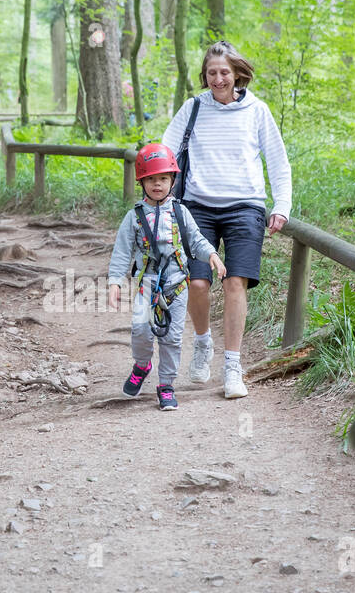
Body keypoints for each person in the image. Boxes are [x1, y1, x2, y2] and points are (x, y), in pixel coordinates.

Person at [161, 40, 291, 400]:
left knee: (236, 284)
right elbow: (165, 153)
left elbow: (278, 161)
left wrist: (282, 205)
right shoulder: (193, 108)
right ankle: (203, 342)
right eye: (211, 73)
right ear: (205, 76)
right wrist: (157, 197)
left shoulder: (257, 111)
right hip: (197, 208)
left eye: (224, 73)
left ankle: (232, 366)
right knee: (197, 285)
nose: (218, 79)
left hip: (245, 207)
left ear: (237, 75)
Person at [107, 143, 225, 411]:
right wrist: (114, 281)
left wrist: (212, 255)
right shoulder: (134, 217)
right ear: (142, 182)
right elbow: (122, 251)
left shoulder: (181, 213)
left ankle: (166, 384)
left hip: (176, 286)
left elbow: (196, 240)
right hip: (147, 285)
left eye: (162, 178)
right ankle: (142, 364)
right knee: (140, 331)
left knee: (171, 338)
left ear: (172, 180)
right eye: (150, 179)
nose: (157, 184)